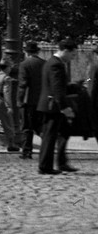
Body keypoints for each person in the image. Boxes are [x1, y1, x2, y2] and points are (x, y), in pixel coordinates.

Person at [37, 37, 79, 175]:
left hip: (50, 104)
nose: (73, 58)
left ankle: (61, 162)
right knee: (50, 136)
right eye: (72, 54)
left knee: (64, 132)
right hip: (53, 106)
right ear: (66, 51)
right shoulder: (56, 64)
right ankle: (45, 166)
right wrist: (65, 108)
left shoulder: (52, 62)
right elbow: (57, 89)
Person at [17, 41, 45, 160]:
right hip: (41, 100)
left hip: (28, 101)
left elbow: (23, 84)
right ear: (37, 51)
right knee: (39, 126)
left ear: (26, 52)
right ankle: (48, 145)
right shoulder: (44, 63)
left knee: (27, 127)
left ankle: (27, 152)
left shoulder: (24, 64)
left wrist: (19, 99)